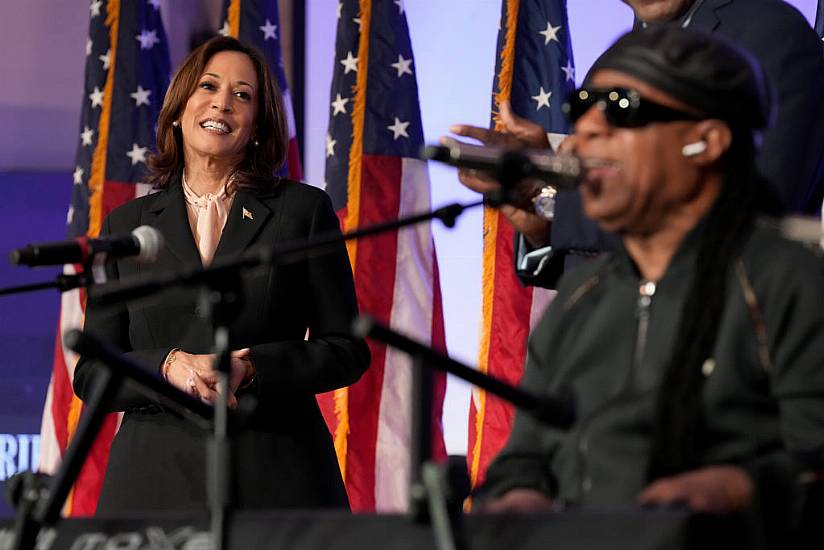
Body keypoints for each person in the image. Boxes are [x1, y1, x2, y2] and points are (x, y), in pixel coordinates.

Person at [472, 26, 824, 543]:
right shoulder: (582, 296)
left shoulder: (788, 279)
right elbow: (524, 459)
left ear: (707, 141)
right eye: (581, 107)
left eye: (621, 107)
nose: (586, 131)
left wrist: (742, 488)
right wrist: (519, 498)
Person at [72, 36, 370, 513]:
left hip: (275, 474)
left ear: (256, 125)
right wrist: (169, 366)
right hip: (154, 481)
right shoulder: (126, 226)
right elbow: (92, 371)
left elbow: (345, 349)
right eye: (208, 86)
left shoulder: (301, 211)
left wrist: (251, 369)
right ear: (178, 109)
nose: (222, 102)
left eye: (243, 94)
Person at [451, 0, 824, 289]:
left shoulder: (773, 34)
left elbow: (754, 212)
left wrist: (556, 202)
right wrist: (541, 222)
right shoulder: (611, 65)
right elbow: (592, 268)